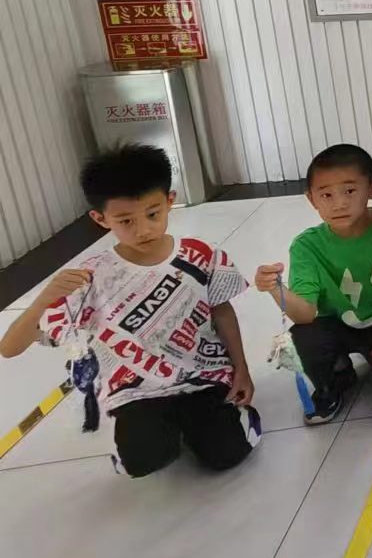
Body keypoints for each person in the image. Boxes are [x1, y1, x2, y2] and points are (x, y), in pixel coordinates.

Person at [1, 145, 259, 478]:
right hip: (136, 392)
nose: (143, 230)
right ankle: (142, 437)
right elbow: (9, 348)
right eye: (126, 221)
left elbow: (222, 312)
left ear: (170, 200)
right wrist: (42, 301)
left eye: (153, 214)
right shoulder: (89, 278)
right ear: (100, 219)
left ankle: (219, 423)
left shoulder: (201, 256)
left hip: (203, 379)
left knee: (226, 454)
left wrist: (241, 369)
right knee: (142, 460)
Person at [253, 144, 372, 422]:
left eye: (350, 191)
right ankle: (335, 376)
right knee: (304, 335)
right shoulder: (307, 246)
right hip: (338, 325)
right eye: (326, 195)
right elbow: (305, 314)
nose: (339, 204)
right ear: (311, 199)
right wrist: (276, 289)